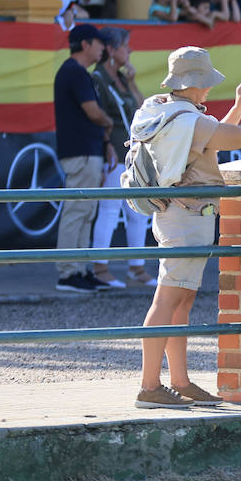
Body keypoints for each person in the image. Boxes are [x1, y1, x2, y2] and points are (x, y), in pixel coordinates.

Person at [132, 50, 241, 409]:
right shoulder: (190, 120)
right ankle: (149, 386)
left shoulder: (167, 111)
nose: (208, 88)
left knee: (180, 300)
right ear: (196, 83)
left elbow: (215, 138)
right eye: (205, 82)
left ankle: (178, 381)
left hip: (180, 214)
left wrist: (240, 104)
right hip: (187, 218)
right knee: (169, 298)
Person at [52, 24, 115, 294]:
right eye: (99, 43)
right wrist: (110, 123)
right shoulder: (74, 72)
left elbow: (93, 115)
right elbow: (93, 112)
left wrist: (105, 141)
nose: (103, 48)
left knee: (85, 212)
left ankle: (78, 270)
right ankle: (68, 273)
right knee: (77, 211)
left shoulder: (78, 73)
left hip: (87, 151)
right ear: (86, 44)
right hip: (80, 152)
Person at [88, 27, 149, 288]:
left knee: (138, 212)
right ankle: (100, 268)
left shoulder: (123, 78)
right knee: (110, 209)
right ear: (111, 50)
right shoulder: (98, 78)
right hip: (114, 151)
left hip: (132, 153)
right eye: (126, 46)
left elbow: (142, 109)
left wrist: (133, 82)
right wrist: (105, 145)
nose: (131, 50)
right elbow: (97, 116)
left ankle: (136, 267)